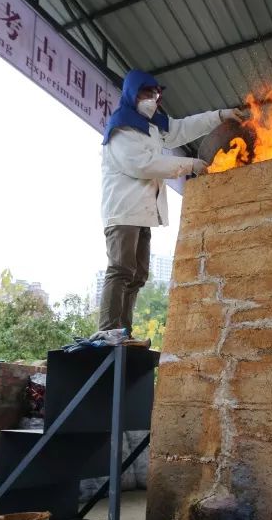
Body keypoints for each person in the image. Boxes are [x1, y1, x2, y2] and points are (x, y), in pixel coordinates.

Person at [98, 69, 246, 332]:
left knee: (139, 274)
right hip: (123, 213)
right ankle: (108, 330)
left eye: (155, 95)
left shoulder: (152, 127)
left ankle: (123, 331)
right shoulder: (121, 127)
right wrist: (190, 164)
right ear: (132, 93)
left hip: (142, 214)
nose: (152, 100)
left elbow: (183, 127)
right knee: (121, 269)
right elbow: (143, 165)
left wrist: (220, 116)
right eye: (146, 93)